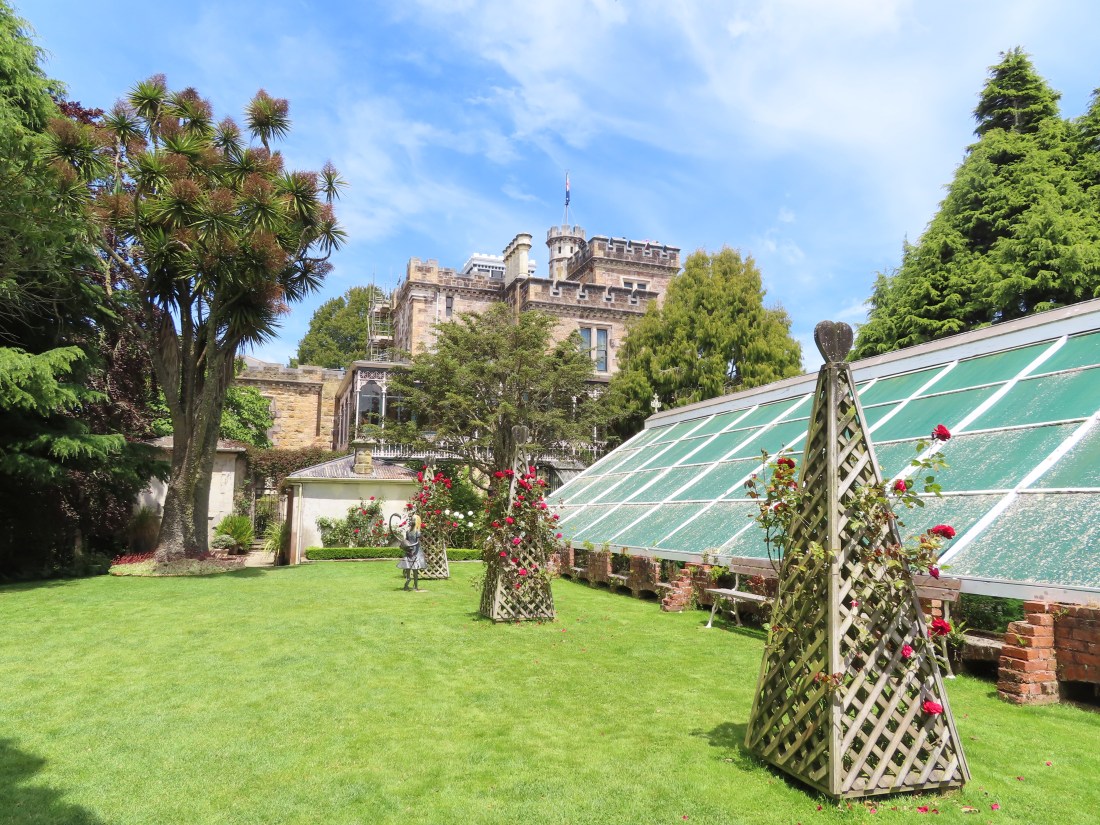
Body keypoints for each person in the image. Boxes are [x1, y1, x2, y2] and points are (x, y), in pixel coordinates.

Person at [396, 514, 425, 591]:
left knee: (415, 570)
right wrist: (404, 545)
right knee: (408, 568)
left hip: (415, 552)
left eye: (413, 520)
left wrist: (411, 545)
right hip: (408, 552)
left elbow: (417, 542)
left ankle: (415, 586)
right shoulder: (408, 532)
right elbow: (406, 540)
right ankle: (407, 581)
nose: (411, 521)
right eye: (411, 519)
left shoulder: (417, 532)